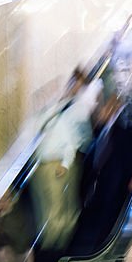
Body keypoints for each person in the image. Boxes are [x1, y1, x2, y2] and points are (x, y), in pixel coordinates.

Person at [30, 68, 98, 250]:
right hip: (42, 165)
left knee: (59, 208)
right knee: (49, 208)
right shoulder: (45, 113)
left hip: (57, 164)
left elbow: (71, 141)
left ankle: (55, 248)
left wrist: (66, 164)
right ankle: (53, 245)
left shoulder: (68, 109)